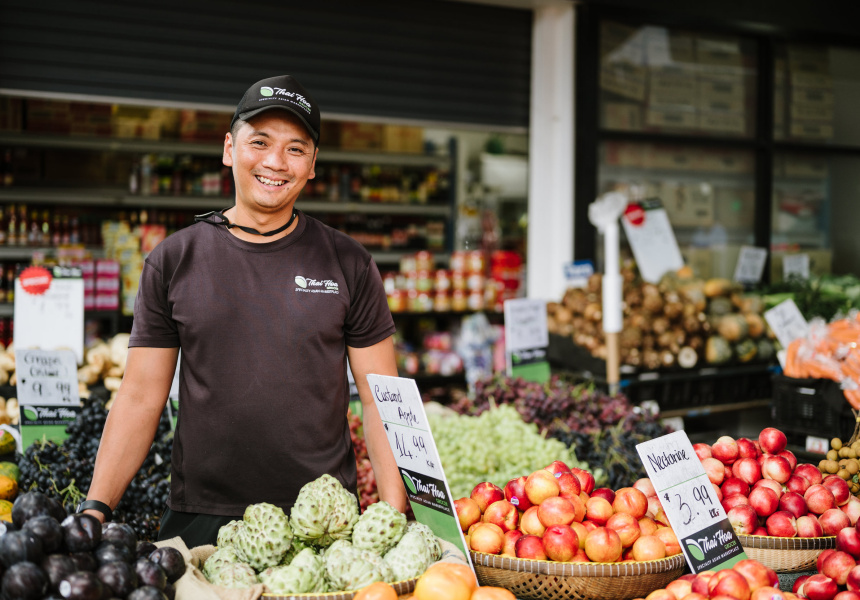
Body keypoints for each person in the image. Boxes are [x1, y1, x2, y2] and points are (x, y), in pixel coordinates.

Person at [80, 75, 407, 547]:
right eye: (260, 142)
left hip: (321, 523)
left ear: (313, 165)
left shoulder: (349, 263)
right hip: (201, 517)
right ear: (230, 148)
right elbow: (138, 397)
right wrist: (96, 506)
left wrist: (392, 515)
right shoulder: (173, 260)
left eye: (296, 149)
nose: (276, 162)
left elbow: (381, 401)